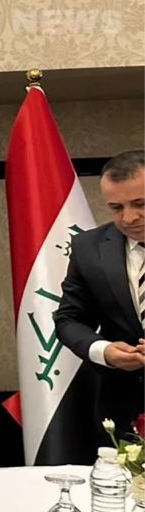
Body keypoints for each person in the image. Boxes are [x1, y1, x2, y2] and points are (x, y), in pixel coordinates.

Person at [54, 149, 145, 435]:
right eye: (116, 208)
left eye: (140, 204)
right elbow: (69, 319)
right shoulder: (88, 248)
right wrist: (103, 351)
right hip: (124, 411)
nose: (128, 218)